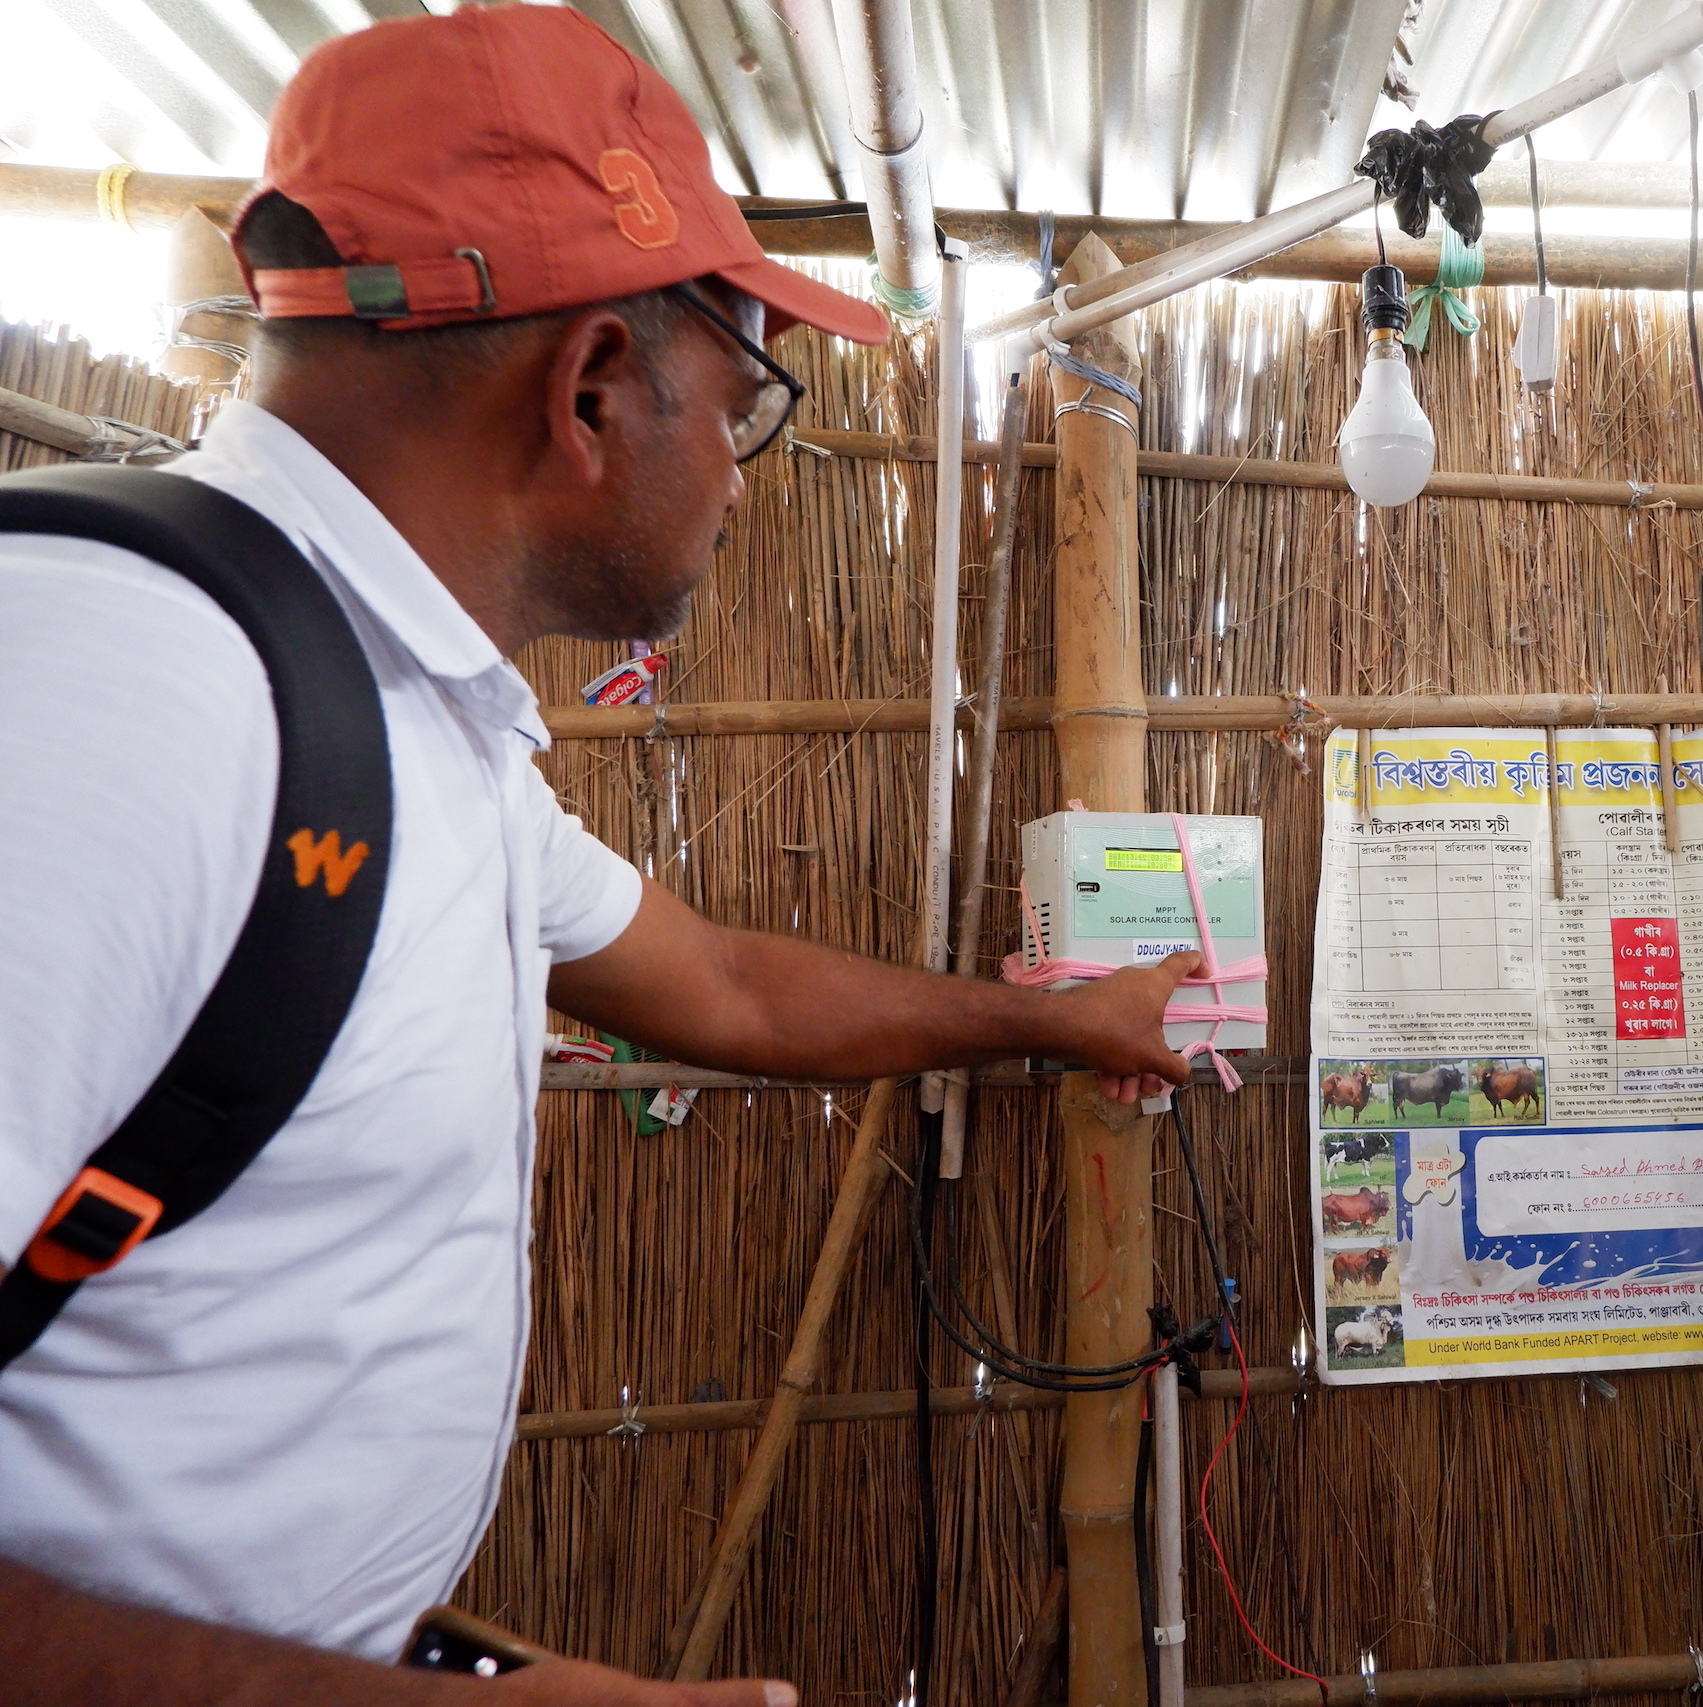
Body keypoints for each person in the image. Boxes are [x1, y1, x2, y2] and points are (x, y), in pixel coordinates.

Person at [0, 9, 1196, 1703]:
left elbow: (719, 986)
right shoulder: (120, 698)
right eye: (745, 402)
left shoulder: (404, 714)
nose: (737, 477)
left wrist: (1058, 1021)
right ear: (591, 390)